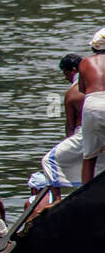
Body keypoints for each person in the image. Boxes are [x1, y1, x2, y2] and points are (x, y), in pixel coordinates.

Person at [41, 54, 85, 199]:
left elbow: (70, 126)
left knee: (48, 161)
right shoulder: (97, 83)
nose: (65, 78)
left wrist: (69, 142)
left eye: (65, 73)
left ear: (72, 70)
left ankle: (57, 199)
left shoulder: (72, 93)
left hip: (83, 134)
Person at [79, 28, 105, 185]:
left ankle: (84, 198)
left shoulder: (84, 62)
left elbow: (82, 89)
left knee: (89, 157)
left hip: (92, 103)